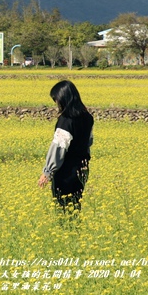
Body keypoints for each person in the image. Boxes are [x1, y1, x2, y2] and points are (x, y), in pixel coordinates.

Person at [38, 80, 94, 212]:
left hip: (66, 172)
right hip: (82, 169)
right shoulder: (87, 117)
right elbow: (89, 142)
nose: (56, 103)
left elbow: (58, 149)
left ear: (64, 98)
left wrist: (47, 172)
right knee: (75, 207)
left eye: (56, 100)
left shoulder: (66, 120)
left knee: (62, 209)